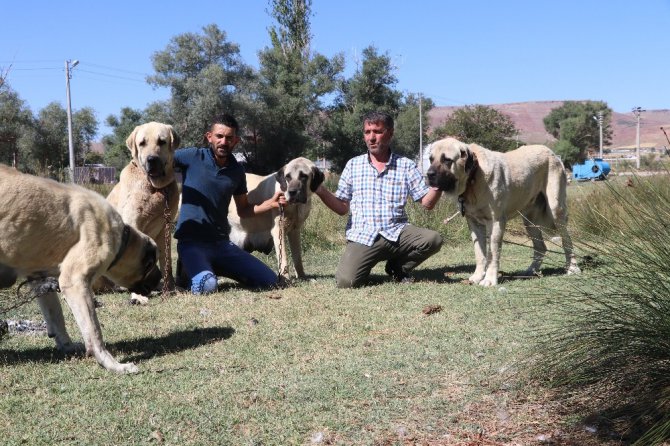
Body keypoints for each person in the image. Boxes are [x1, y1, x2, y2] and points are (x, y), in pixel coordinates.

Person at [315, 111, 444, 288]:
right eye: (367, 132)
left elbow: (427, 203)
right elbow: (342, 208)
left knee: (433, 239)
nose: (371, 138)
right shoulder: (353, 165)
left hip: (397, 232)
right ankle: (363, 266)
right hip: (364, 235)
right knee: (346, 282)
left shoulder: (405, 165)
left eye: (377, 131)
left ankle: (397, 268)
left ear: (390, 134)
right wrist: (320, 191)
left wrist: (441, 182)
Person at [174, 113, 285, 294]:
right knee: (207, 287)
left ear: (236, 141)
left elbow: (244, 210)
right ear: (209, 137)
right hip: (191, 242)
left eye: (229, 138)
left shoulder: (236, 171)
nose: (223, 142)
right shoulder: (192, 157)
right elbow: (161, 160)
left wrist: (270, 204)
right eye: (219, 136)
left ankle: (212, 267)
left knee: (270, 281)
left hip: (221, 244)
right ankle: (189, 269)